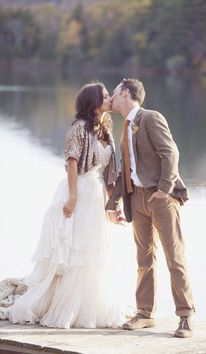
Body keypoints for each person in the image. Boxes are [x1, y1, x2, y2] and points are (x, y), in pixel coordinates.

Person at [0, 82, 123, 329]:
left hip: (97, 195)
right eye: (106, 96)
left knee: (93, 251)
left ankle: (91, 307)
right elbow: (72, 162)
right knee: (74, 251)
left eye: (111, 95)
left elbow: (109, 172)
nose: (110, 99)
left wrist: (113, 206)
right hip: (80, 190)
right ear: (93, 102)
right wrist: (73, 197)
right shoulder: (78, 128)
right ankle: (65, 308)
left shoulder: (106, 130)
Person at [106, 78, 195, 338]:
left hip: (161, 199)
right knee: (144, 259)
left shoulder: (151, 117)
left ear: (125, 92)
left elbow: (171, 154)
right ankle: (145, 313)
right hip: (137, 199)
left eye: (114, 93)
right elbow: (126, 170)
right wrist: (113, 203)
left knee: (174, 258)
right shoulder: (125, 127)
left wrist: (164, 190)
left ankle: (186, 316)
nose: (111, 97)